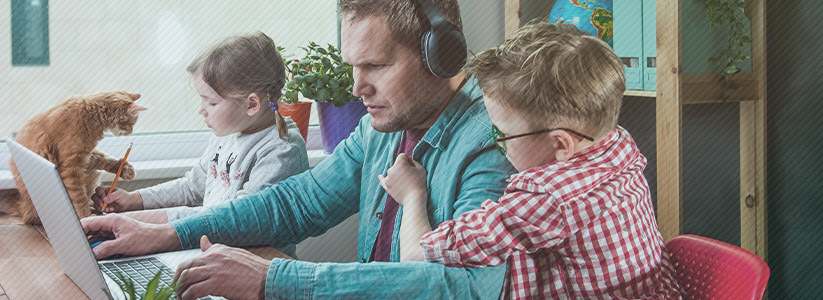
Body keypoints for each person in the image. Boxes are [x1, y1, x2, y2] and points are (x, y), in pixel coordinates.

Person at [82, 0, 515, 298]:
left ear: (441, 54)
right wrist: (166, 234)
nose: (357, 87)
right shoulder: (380, 129)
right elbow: (297, 202)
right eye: (353, 66)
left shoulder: (494, 143)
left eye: (376, 66)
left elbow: (464, 287)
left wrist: (276, 280)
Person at [383, 22, 682, 299]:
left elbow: (417, 257)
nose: (495, 142)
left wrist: (412, 196)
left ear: (560, 144)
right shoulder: (616, 143)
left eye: (503, 135)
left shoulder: (546, 198)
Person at [91, 32, 309, 231]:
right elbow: (192, 187)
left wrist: (140, 221)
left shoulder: (281, 151)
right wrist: (135, 200)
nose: (201, 110)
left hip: (255, 263)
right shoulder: (228, 133)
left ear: (252, 104)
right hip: (212, 250)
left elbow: (232, 218)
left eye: (211, 102)